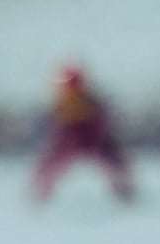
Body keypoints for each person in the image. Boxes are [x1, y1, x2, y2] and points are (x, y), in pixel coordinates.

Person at [30, 61, 135, 206]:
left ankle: (123, 188)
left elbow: (104, 117)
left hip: (89, 136)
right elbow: (50, 122)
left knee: (112, 161)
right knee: (53, 163)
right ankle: (41, 190)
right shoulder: (63, 102)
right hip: (72, 136)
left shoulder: (87, 100)